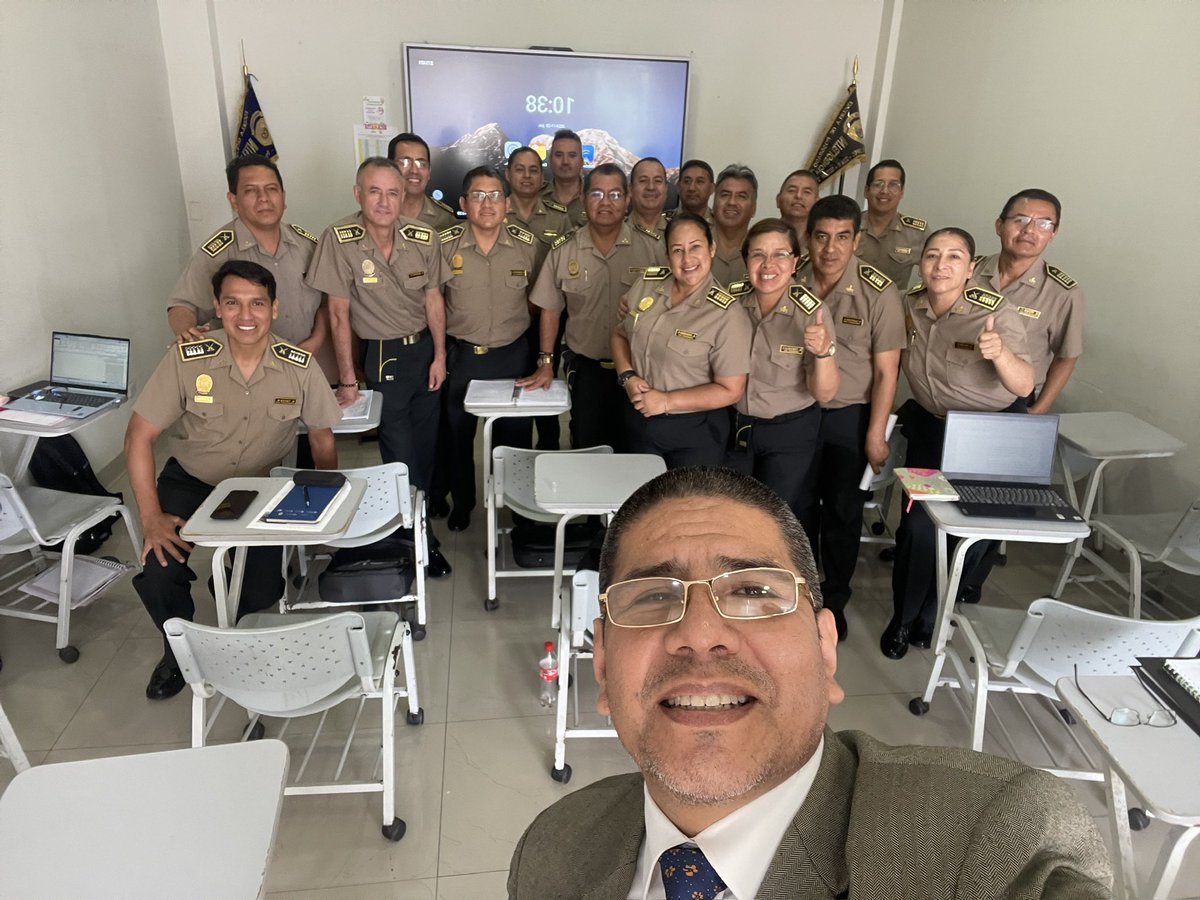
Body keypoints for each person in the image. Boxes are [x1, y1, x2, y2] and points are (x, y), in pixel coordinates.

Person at [508, 466, 1111, 899]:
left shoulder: (986, 838)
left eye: (751, 590)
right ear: (603, 667)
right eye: (653, 597)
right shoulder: (551, 850)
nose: (699, 633)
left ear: (826, 651)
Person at [127, 260, 342, 700]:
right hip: (192, 479)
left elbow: (322, 440)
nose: (246, 316)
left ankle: (238, 628)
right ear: (217, 307)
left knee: (262, 588)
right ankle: (177, 653)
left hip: (260, 489)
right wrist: (150, 517)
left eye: (257, 304)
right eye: (233, 303)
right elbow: (138, 437)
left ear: (274, 308)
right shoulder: (187, 359)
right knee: (159, 571)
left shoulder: (299, 366)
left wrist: (320, 513)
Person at [882, 228, 1034, 659]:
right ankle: (903, 617)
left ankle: (935, 612)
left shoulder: (996, 313)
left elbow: (1024, 384)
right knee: (917, 527)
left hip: (989, 435)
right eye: (932, 255)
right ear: (921, 263)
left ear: (970, 269)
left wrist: (999, 353)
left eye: (953, 257)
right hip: (933, 430)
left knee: (971, 530)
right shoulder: (909, 306)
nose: (941, 265)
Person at [305, 157, 452, 577]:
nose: (384, 202)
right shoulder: (339, 239)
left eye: (392, 193)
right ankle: (419, 540)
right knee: (400, 453)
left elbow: (434, 299)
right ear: (358, 194)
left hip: (424, 353)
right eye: (375, 192)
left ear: (403, 196)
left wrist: (440, 356)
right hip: (384, 356)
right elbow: (337, 313)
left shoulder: (423, 236)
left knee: (425, 448)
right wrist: (348, 379)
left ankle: (415, 522)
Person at [795, 195, 905, 641]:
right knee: (797, 508)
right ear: (808, 237)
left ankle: (834, 600)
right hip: (796, 414)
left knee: (843, 513)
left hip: (850, 416)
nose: (831, 248)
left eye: (842, 237)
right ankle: (800, 596)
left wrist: (876, 434)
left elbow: (887, 371)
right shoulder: (790, 280)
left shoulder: (879, 292)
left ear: (857, 240)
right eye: (821, 237)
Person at [521, 163, 665, 451]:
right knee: (587, 446)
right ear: (583, 199)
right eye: (597, 194)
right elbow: (551, 309)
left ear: (628, 199)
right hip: (587, 369)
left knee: (636, 449)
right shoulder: (564, 249)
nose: (606, 202)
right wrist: (546, 363)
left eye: (615, 195)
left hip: (641, 370)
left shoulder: (652, 249)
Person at [434, 167, 537, 531]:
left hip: (513, 356)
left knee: (514, 439)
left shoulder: (527, 245)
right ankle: (464, 503)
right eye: (478, 196)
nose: (487, 204)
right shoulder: (444, 245)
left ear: (507, 203)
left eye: (495, 195)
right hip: (463, 356)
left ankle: (516, 505)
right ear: (464, 203)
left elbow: (539, 300)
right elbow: (433, 302)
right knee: (458, 437)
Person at [166, 156, 333, 380]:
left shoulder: (308, 246)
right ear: (234, 201)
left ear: (283, 197)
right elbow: (182, 306)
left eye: (271, 189)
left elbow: (327, 303)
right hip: (248, 376)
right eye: (251, 191)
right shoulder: (218, 254)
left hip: (310, 368)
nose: (264, 198)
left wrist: (317, 340)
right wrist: (187, 334)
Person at [727, 218, 839, 537]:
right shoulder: (729, 304)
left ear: (795, 262)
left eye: (779, 254)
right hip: (735, 428)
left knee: (773, 521)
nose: (768, 265)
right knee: (731, 514)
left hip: (788, 433)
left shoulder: (812, 313)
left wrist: (823, 353)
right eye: (758, 255)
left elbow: (825, 393)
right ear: (746, 260)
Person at [611, 213, 751, 468]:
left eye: (695, 247)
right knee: (639, 493)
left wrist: (666, 401)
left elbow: (732, 390)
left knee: (686, 495)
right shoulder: (646, 285)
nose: (687, 259)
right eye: (677, 250)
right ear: (668, 256)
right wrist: (627, 377)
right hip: (639, 421)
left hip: (695, 433)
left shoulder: (727, 314)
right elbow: (620, 335)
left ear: (711, 249)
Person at [971, 189, 1084, 414]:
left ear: (1053, 233)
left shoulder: (1061, 293)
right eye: (1020, 220)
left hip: (1013, 400)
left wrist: (1039, 408)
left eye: (1044, 224)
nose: (1030, 230)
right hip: (954, 390)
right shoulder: (967, 271)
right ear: (999, 226)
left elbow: (1066, 356)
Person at [505, 144, 572, 451]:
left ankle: (548, 449)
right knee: (514, 388)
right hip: (507, 318)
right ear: (508, 174)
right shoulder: (496, 213)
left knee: (546, 382)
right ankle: (513, 451)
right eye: (520, 169)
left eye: (534, 170)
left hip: (547, 315)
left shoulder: (558, 218)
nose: (527, 176)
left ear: (542, 177)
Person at [856, 159, 927, 289]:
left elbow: (938, 269)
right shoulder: (849, 226)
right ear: (866, 191)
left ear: (902, 192)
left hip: (894, 301)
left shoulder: (916, 233)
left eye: (893, 185)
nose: (885, 190)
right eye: (878, 184)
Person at [388, 132, 458, 231]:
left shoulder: (445, 219)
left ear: (429, 172)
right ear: (389, 168)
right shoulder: (377, 213)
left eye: (421, 164)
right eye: (405, 162)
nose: (414, 170)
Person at [710, 164, 757, 287]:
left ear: (754, 209)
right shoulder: (695, 246)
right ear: (713, 205)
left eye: (741, 196)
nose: (732, 202)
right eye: (725, 195)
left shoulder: (761, 252)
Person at [540, 129, 587, 226]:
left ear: (582, 161)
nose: (565, 161)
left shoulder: (594, 197)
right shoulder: (536, 197)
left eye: (572, 155)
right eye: (559, 155)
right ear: (550, 160)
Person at [774, 169, 821, 250]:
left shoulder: (821, 243)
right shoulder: (762, 236)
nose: (798, 196)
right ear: (778, 200)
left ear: (817, 203)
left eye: (806, 192)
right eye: (792, 191)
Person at [628, 157, 669, 237]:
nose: (651, 187)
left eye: (658, 181)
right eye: (643, 180)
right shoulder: (615, 231)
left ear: (666, 189)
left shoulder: (678, 231)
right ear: (630, 189)